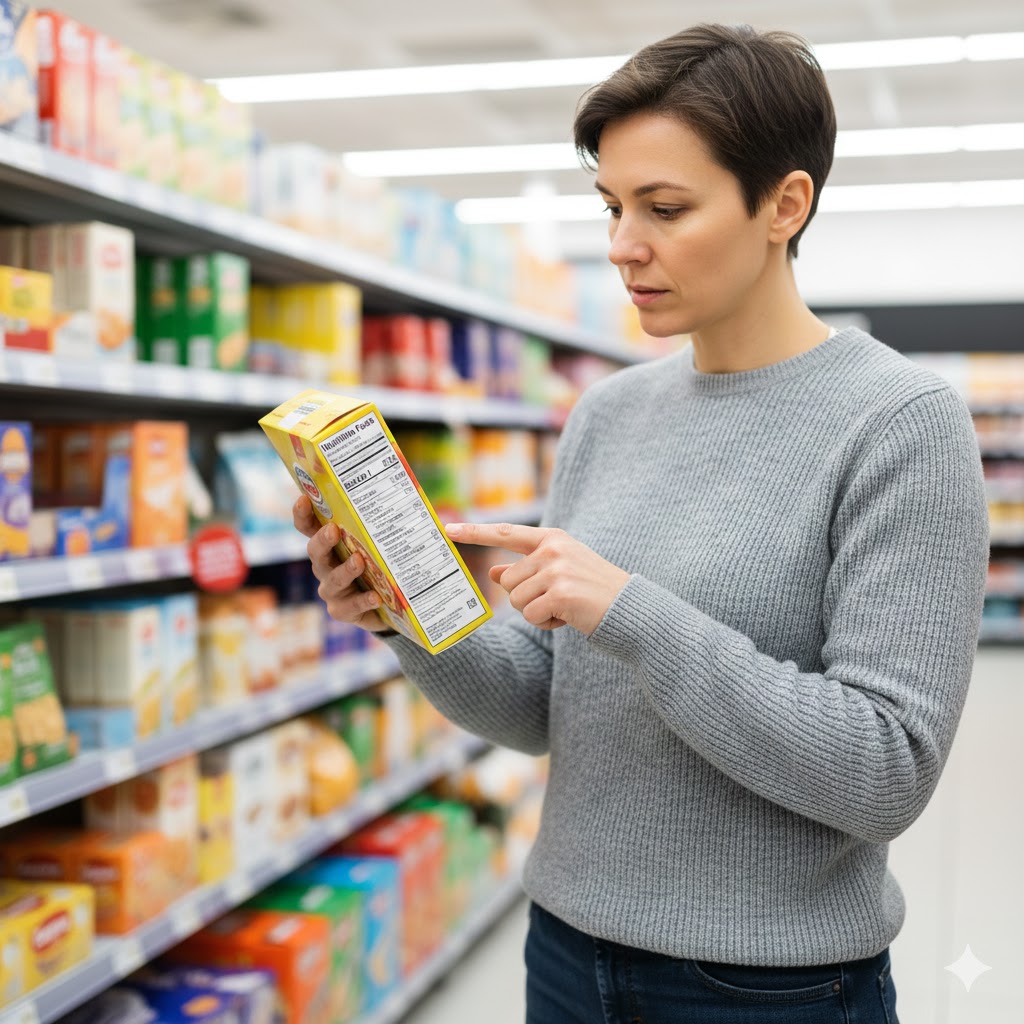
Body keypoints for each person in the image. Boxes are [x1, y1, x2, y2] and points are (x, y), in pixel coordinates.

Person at [293, 23, 989, 1024]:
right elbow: (540, 705)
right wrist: (406, 607)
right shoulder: (607, 414)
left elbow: (884, 769)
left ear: (782, 206)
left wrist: (632, 613)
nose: (623, 245)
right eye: (613, 205)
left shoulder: (898, 427)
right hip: (568, 953)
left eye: (664, 208)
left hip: (766, 989)